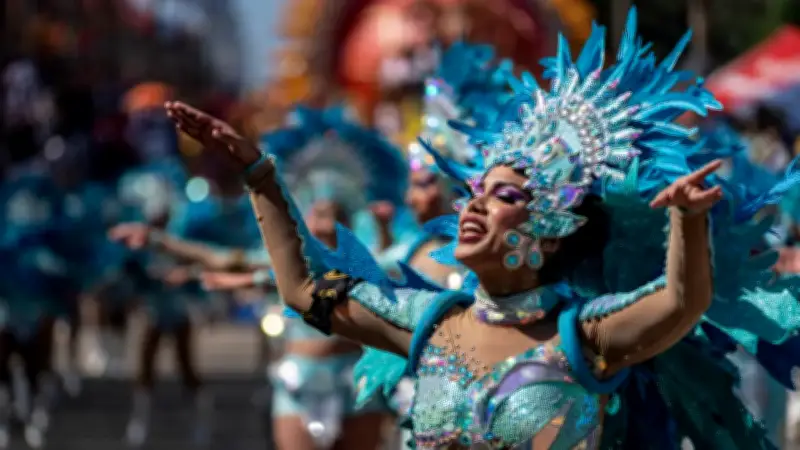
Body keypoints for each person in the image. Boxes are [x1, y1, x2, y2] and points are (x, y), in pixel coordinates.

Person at [164, 8, 800, 449]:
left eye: (503, 197)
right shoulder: (429, 321)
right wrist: (259, 176)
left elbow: (681, 301)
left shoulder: (584, 335)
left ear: (550, 230)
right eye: (471, 193)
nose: (470, 207)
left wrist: (687, 219)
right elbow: (305, 291)